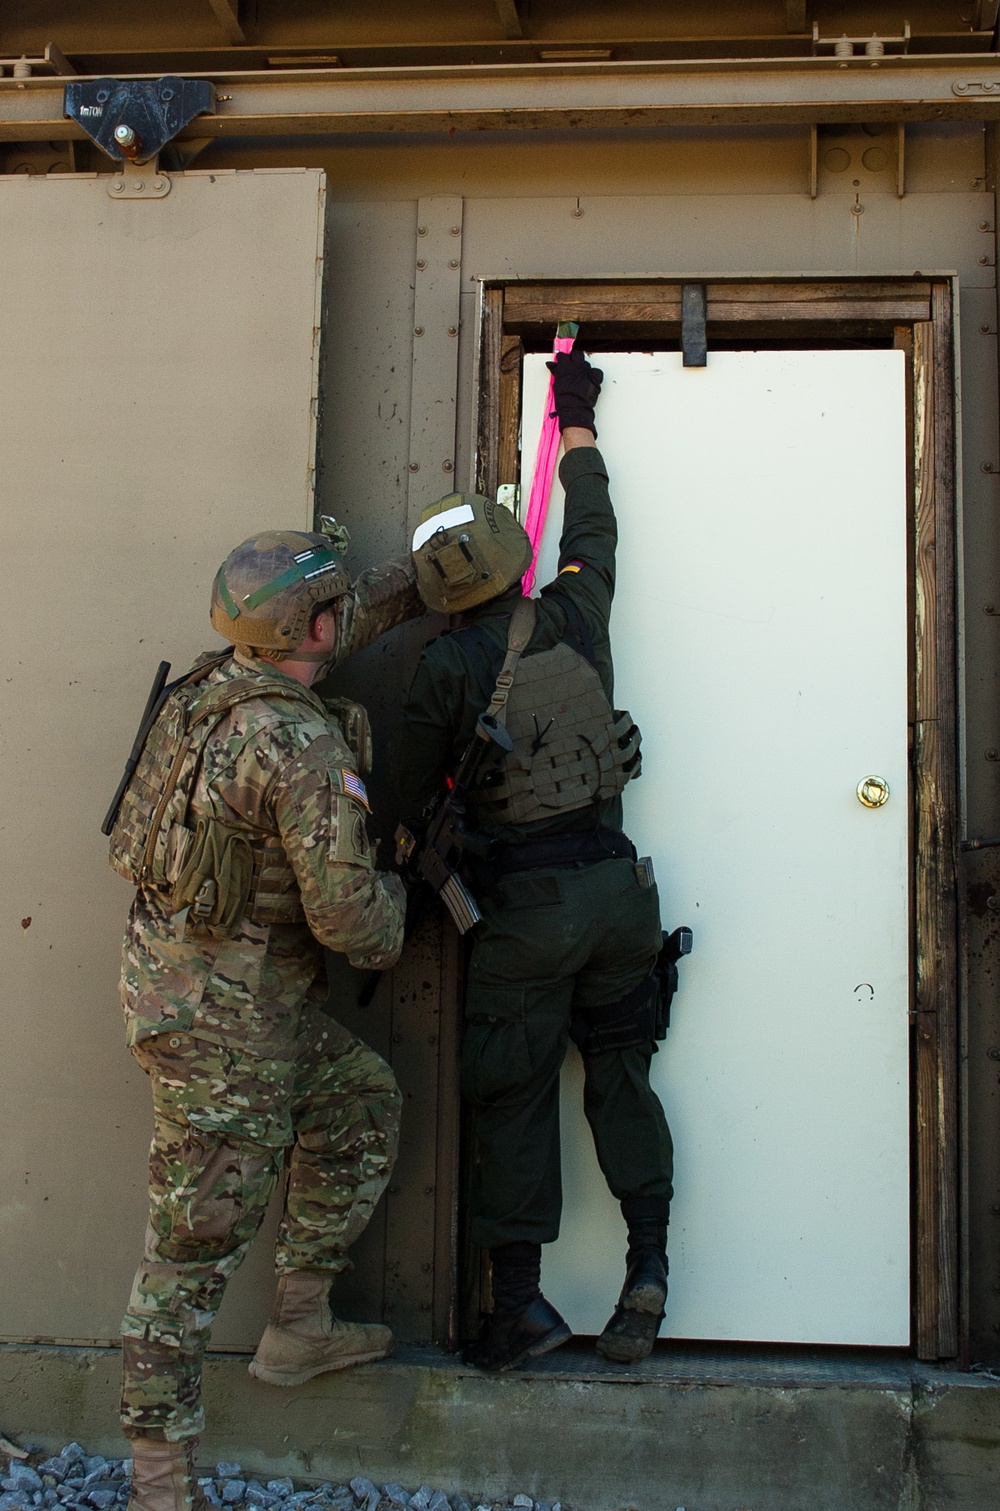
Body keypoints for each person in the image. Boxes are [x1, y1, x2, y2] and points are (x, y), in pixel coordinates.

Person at [108, 529, 421, 1511]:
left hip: (203, 996)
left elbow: (342, 614)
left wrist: (421, 572)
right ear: (307, 627)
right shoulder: (303, 745)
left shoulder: (211, 687)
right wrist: (407, 895)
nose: (341, 619)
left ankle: (298, 1323)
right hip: (224, 1034)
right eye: (330, 611)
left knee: (358, 1098)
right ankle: (159, 1485)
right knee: (190, 1252)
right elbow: (352, 927)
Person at [392, 350, 674, 1373]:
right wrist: (578, 422)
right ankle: (647, 1269)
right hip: (620, 895)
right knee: (623, 1075)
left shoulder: (444, 666)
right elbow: (594, 529)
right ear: (514, 555)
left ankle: (520, 1309)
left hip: (529, 910)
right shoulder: (575, 607)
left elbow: (399, 792)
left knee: (511, 1090)